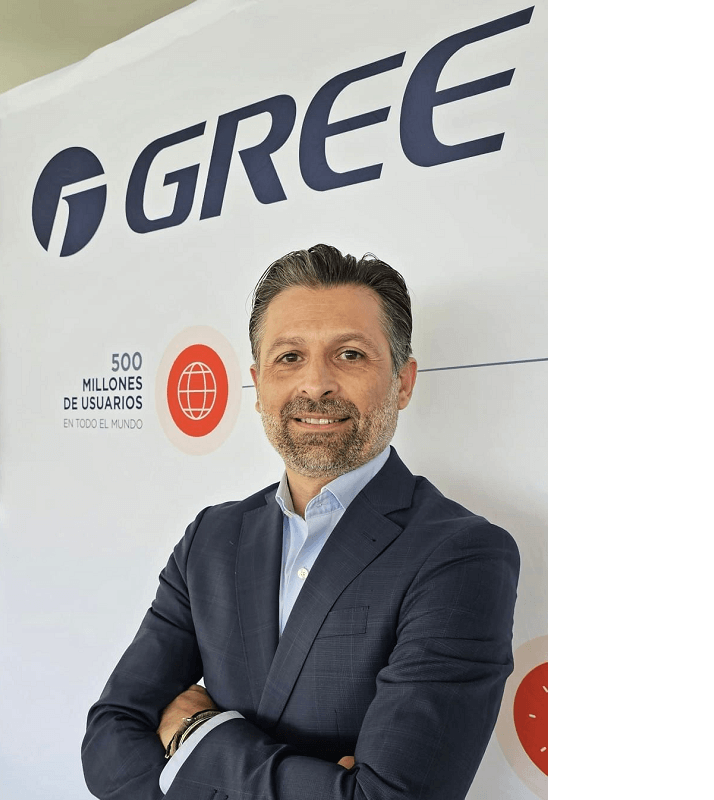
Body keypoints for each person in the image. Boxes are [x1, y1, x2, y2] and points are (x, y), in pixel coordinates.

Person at [82, 244, 520, 800]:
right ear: (257, 383)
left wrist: (197, 734)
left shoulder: (462, 555)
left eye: (350, 354)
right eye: (289, 357)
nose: (315, 385)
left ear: (403, 382)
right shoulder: (211, 540)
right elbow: (109, 742)